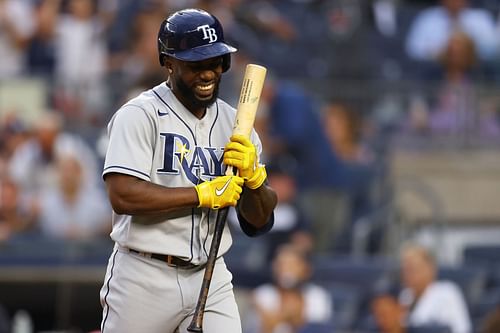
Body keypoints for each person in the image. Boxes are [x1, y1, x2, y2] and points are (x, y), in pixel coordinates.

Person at [99, 8, 277, 333]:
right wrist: (200, 195)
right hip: (144, 275)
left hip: (210, 275)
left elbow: (259, 221)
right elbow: (122, 194)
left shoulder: (238, 126)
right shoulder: (139, 115)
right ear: (168, 62)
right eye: (195, 64)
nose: (207, 73)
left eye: (215, 62)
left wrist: (255, 180)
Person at [251, 244, 333, 333]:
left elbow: (316, 329)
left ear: (305, 268)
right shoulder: (264, 294)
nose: (285, 269)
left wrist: (286, 316)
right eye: (280, 264)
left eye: (292, 264)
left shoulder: (318, 296)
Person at [398, 244, 471, 333]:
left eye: (412, 269)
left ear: (430, 269)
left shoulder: (447, 292)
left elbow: (461, 329)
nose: (407, 275)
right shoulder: (404, 296)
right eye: (405, 270)